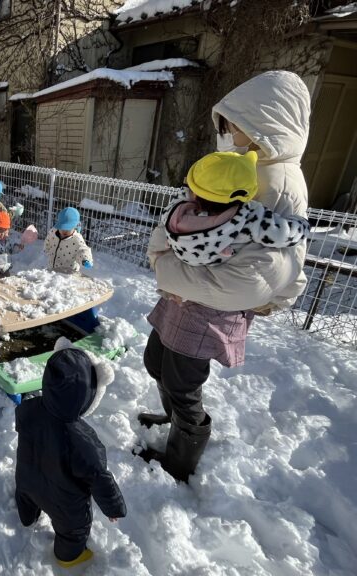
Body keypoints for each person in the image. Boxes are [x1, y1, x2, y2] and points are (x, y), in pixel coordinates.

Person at [139, 70, 312, 483]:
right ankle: (172, 417)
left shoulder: (280, 184)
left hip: (209, 308)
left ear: (262, 128)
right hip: (185, 294)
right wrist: (165, 262)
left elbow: (256, 278)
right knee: (156, 360)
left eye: (231, 127)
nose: (224, 134)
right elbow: (185, 212)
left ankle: (182, 457)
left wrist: (166, 269)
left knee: (183, 385)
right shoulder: (239, 166)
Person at [15, 346, 126, 568]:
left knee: (26, 496)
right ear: (84, 397)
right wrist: (114, 508)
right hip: (65, 501)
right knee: (74, 530)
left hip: (26, 478)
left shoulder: (28, 408)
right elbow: (98, 477)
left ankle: (27, 516)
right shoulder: (82, 441)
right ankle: (68, 557)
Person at [162, 151, 310, 267]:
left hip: (186, 258)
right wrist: (302, 223)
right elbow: (282, 234)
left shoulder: (174, 212)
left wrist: (188, 188)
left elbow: (184, 196)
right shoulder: (247, 219)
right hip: (221, 265)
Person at [44, 207, 93, 274]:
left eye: (68, 228)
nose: (65, 231)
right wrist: (46, 248)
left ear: (74, 226)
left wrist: (85, 259)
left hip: (68, 273)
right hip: (52, 269)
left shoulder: (77, 239)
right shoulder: (53, 231)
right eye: (63, 227)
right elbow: (48, 240)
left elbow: (83, 250)